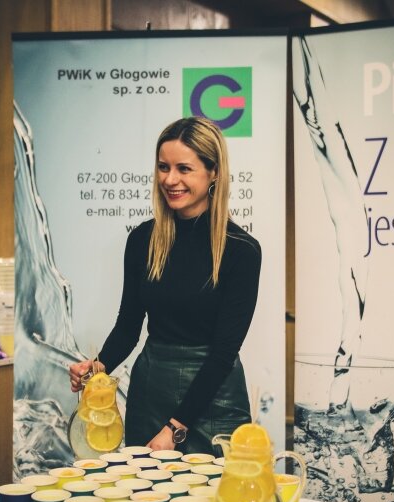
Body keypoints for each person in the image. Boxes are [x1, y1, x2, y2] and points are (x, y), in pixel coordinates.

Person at [69, 117, 262, 454]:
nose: (170, 180)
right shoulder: (142, 239)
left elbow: (223, 354)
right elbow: (128, 327)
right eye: (163, 167)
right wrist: (96, 367)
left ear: (214, 172)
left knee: (216, 488)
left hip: (214, 397)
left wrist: (175, 427)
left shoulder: (241, 250)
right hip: (151, 389)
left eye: (184, 168)